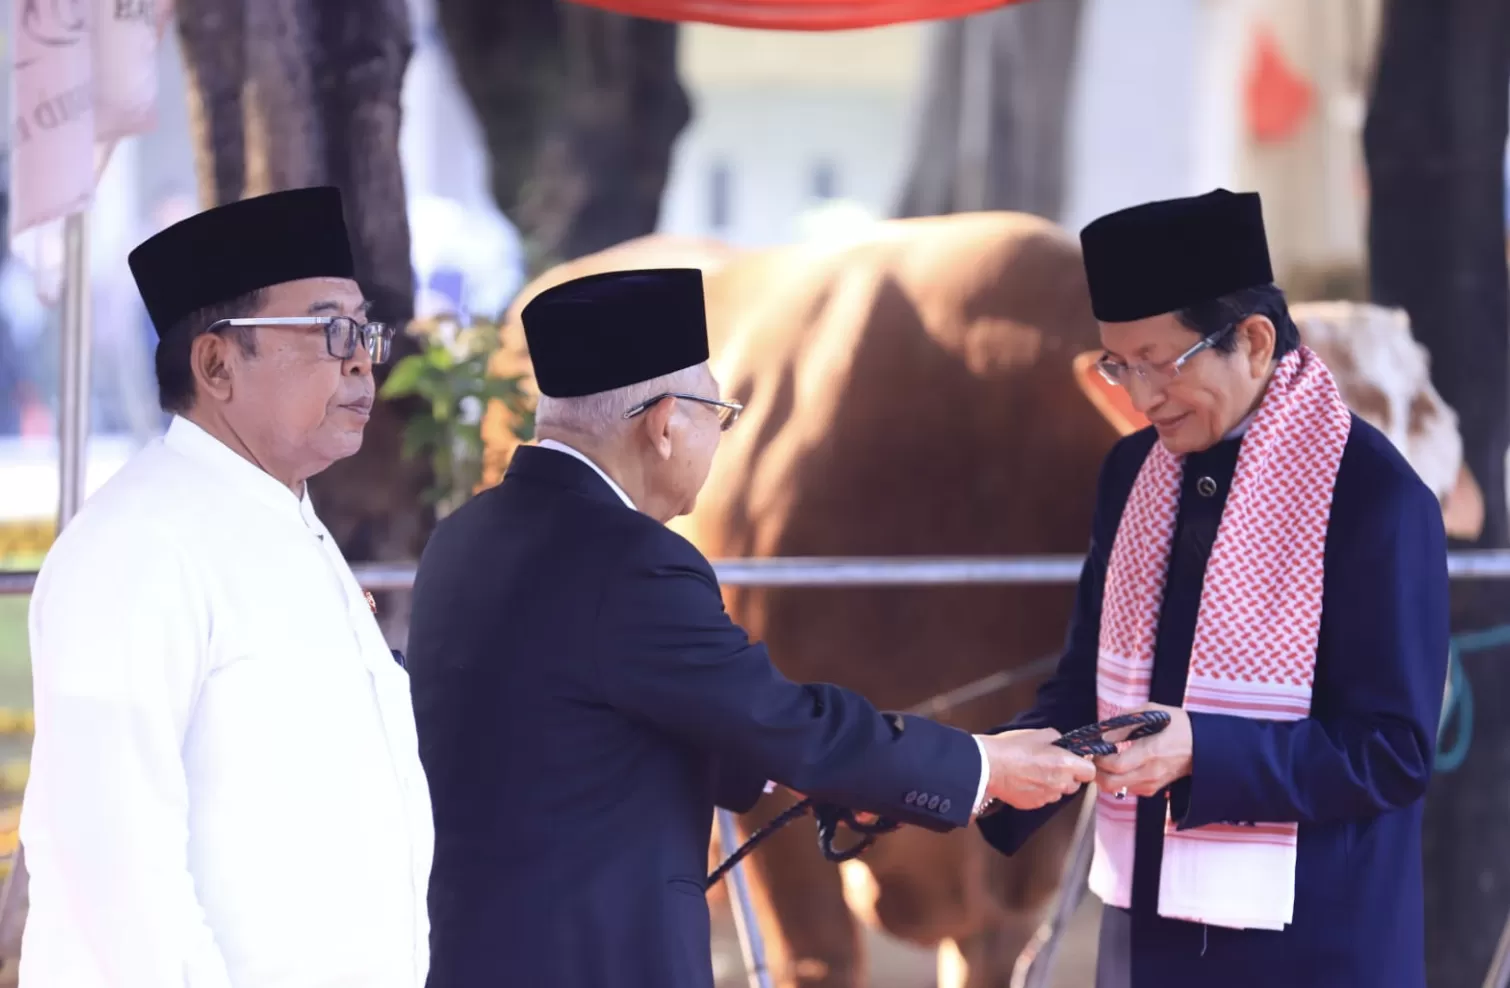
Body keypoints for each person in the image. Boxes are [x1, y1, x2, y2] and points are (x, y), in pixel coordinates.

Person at [405, 268, 1097, 988]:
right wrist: (982, 766)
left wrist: (838, 782)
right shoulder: (635, 562)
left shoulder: (465, 538)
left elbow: (600, 724)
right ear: (665, 424)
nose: (720, 437)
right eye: (720, 414)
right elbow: (778, 721)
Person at [976, 189, 1450, 987]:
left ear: (1255, 341)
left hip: (1314, 939)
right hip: (1146, 929)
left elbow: (1392, 752)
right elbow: (1085, 686)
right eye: (1116, 364)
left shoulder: (1373, 495)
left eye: (1159, 362)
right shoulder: (1133, 471)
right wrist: (982, 772)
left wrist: (1204, 749)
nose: (1137, 396)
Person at [19, 187, 434, 988]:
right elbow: (115, 872)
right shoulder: (136, 547)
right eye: (328, 329)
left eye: (363, 331)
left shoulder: (292, 524)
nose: (360, 359)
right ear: (216, 363)